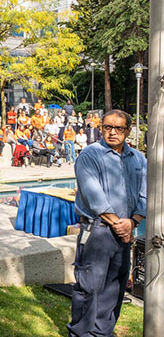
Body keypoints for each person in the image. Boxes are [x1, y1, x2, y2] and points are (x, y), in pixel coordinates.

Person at [67, 110, 146, 337]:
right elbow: (94, 196)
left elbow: (145, 195)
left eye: (118, 128)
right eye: (107, 127)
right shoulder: (90, 155)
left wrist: (132, 222)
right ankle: (81, 333)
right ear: (101, 128)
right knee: (89, 287)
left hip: (124, 234)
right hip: (97, 231)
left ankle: (102, 333)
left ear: (128, 131)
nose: (112, 132)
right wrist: (119, 224)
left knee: (115, 287)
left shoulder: (139, 159)